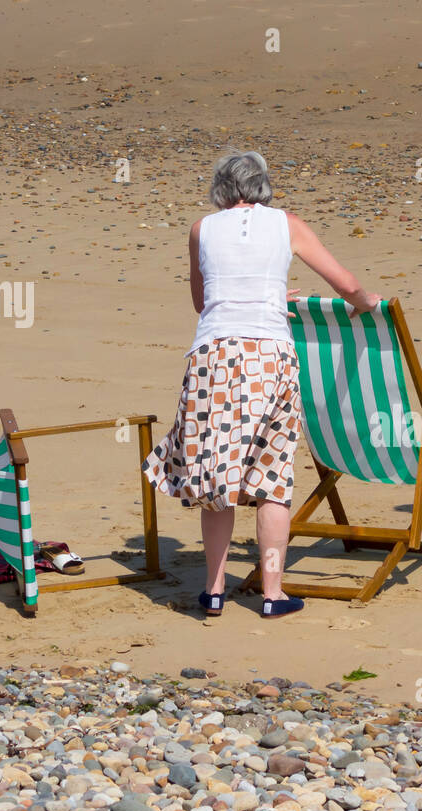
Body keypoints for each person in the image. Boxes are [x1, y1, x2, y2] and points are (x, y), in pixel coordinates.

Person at [144, 150, 379, 617]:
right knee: (273, 477)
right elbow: (345, 282)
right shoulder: (286, 224)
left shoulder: (201, 229)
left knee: (217, 474)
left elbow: (202, 300)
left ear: (220, 188)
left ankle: (213, 591)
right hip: (268, 356)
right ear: (263, 185)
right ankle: (272, 595)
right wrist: (365, 301)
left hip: (213, 356)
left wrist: (257, 292)